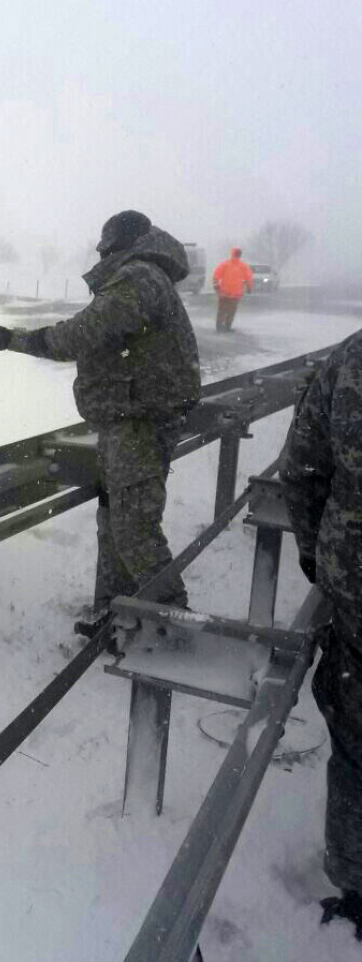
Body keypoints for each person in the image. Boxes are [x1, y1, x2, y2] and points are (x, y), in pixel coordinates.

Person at [0, 211, 201, 623]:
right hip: (131, 417)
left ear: (118, 243)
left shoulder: (138, 278)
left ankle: (172, 623)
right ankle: (114, 609)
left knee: (133, 530)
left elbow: (81, 335)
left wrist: (16, 339)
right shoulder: (145, 274)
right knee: (116, 521)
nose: (99, 252)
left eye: (104, 245)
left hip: (139, 421)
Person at [280, 328, 362, 939]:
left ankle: (358, 886)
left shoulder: (352, 357)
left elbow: (303, 469)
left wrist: (319, 556)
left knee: (358, 749)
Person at [212, 247, 254, 332]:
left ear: (232, 254)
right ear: (240, 255)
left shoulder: (225, 264)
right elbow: (248, 278)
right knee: (231, 311)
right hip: (235, 294)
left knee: (222, 310)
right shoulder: (243, 266)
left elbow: (216, 275)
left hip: (224, 293)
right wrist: (249, 288)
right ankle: (227, 326)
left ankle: (219, 326)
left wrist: (216, 286)